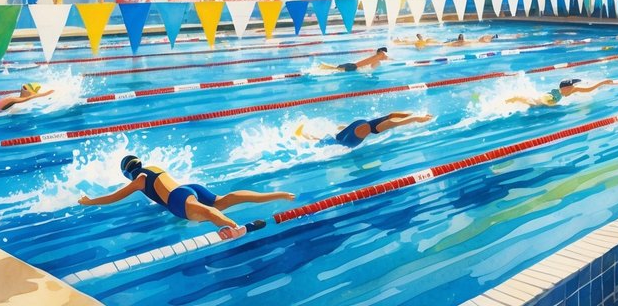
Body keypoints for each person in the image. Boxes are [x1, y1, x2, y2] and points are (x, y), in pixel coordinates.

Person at [78, 155, 294, 241]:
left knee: (210, 214)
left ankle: (234, 227)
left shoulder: (139, 179)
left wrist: (90, 201)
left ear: (127, 172)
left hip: (178, 199)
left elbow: (113, 197)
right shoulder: (152, 167)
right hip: (190, 188)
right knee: (227, 199)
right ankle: (280, 194)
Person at [296, 111, 432, 148]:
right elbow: (395, 119)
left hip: (359, 127)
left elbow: (394, 118)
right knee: (335, 140)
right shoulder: (382, 124)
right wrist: (416, 117)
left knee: (333, 140)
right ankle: (305, 137)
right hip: (357, 131)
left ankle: (305, 136)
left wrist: (415, 117)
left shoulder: (378, 125)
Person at [507, 78, 613, 108]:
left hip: (549, 100)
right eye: (572, 86)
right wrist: (554, 105)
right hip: (542, 100)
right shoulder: (554, 95)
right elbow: (545, 100)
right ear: (565, 88)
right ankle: (511, 99)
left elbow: (589, 89)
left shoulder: (571, 90)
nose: (574, 88)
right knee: (530, 102)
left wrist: (603, 82)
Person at [319, 46, 389, 72]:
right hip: (352, 67)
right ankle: (322, 67)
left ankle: (322, 66)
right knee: (333, 69)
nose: (384, 55)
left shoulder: (375, 58)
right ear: (381, 52)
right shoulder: (378, 57)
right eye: (383, 53)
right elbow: (371, 68)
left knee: (334, 68)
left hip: (351, 65)